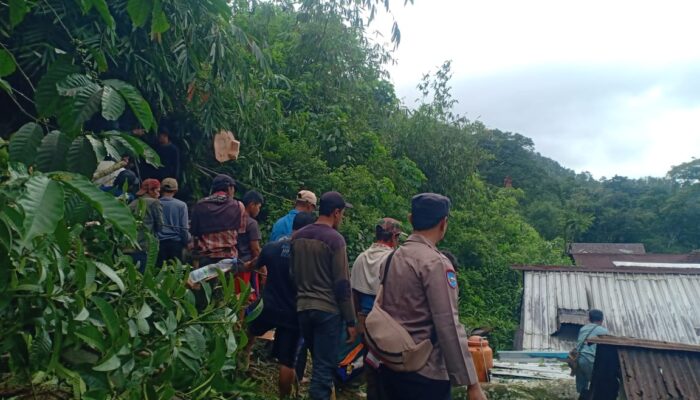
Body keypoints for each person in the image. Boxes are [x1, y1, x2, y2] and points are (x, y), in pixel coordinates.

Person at [376, 193, 486, 400]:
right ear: (443, 223)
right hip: (425, 372)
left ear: (410, 219)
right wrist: (472, 384)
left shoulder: (391, 258)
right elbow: (448, 325)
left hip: (390, 365)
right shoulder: (436, 264)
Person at [291, 191, 356, 400]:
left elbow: (292, 274)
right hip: (327, 311)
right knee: (322, 369)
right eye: (343, 213)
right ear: (336, 212)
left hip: (303, 308)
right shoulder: (335, 240)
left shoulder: (298, 236)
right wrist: (351, 321)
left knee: (316, 361)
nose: (342, 218)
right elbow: (342, 284)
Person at [247, 211, 317, 398]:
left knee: (247, 327)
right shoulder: (311, 255)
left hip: (267, 306)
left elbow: (254, 265)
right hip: (293, 313)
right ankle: (284, 397)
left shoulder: (272, 247)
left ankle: (239, 364)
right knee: (287, 363)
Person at [350, 218, 402, 400]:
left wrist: (358, 320)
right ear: (394, 237)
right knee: (389, 368)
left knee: (370, 364)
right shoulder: (395, 259)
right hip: (388, 325)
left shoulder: (361, 258)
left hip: (365, 322)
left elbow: (354, 294)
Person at [190, 174, 246, 266]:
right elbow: (241, 232)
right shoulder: (239, 206)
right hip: (229, 259)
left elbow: (194, 234)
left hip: (205, 260)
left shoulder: (199, 206)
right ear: (229, 188)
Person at [128, 178, 163, 271]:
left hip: (130, 245)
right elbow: (160, 226)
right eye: (158, 191)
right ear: (152, 191)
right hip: (145, 245)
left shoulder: (133, 203)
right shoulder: (154, 202)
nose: (159, 194)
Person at [236, 190, 265, 298]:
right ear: (252, 205)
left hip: (232, 265)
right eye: (259, 206)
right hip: (247, 267)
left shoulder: (233, 219)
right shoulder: (252, 223)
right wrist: (264, 271)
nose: (258, 210)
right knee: (246, 299)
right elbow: (255, 249)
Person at [575, 309, 608, 400]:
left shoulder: (583, 329)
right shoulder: (603, 331)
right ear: (602, 320)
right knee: (598, 385)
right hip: (590, 360)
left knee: (583, 388)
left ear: (589, 319)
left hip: (578, 359)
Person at [157, 178, 189, 266]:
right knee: (174, 274)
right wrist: (187, 242)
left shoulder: (155, 203)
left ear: (161, 189)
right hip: (176, 245)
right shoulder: (181, 205)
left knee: (159, 274)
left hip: (158, 245)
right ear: (176, 190)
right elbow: (184, 228)